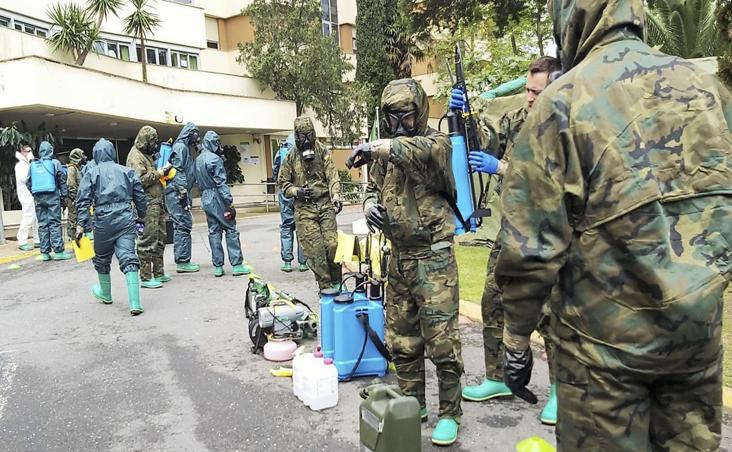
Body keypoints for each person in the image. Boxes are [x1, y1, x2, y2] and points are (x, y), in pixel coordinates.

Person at [496, 0, 732, 450]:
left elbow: (531, 248)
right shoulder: (709, 91)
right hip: (695, 345)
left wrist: (516, 337)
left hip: (601, 359)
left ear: (570, 17)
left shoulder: (562, 104)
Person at [347, 79, 464, 446]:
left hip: (434, 258)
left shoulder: (436, 145)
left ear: (420, 113)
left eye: (407, 116)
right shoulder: (385, 156)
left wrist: (376, 146)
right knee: (403, 342)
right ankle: (415, 403)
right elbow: (372, 187)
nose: (400, 124)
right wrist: (369, 207)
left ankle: (450, 412)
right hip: (398, 258)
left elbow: (413, 151)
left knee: (442, 343)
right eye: (392, 117)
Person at [450, 56, 562, 425]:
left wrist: (500, 168)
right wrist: (464, 115)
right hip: (510, 229)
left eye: (536, 91)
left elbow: (553, 182)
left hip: (549, 234)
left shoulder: (565, 127)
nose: (529, 98)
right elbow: (483, 142)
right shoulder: (517, 120)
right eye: (528, 90)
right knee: (492, 299)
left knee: (551, 313)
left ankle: (562, 392)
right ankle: (498, 376)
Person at [76, 139, 147, 316]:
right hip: (125, 217)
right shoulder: (127, 172)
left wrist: (80, 226)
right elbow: (140, 196)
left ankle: (106, 294)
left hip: (102, 220)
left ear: (95, 154)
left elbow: (82, 201)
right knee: (129, 256)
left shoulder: (91, 173)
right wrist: (141, 217)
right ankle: (135, 303)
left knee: (101, 257)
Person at [277, 116, 342, 290]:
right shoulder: (291, 157)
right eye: (302, 136)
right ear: (297, 136)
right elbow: (283, 183)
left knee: (332, 245)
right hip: (304, 208)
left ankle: (337, 282)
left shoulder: (322, 151)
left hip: (325, 204)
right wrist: (296, 191)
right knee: (316, 251)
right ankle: (326, 288)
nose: (306, 140)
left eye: (309, 135)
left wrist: (336, 196)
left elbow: (332, 175)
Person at [194, 130, 251, 277]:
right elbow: (221, 182)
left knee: (214, 231)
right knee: (230, 228)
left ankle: (218, 266)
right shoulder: (214, 159)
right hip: (217, 196)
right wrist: (228, 201)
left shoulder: (198, 160)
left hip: (205, 197)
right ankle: (237, 264)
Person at [126, 126, 171, 289]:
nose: (154, 145)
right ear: (145, 140)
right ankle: (145, 276)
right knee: (147, 240)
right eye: (152, 141)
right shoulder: (135, 157)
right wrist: (159, 173)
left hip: (156, 202)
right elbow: (139, 180)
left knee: (160, 238)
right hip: (145, 205)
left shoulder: (146, 155)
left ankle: (159, 272)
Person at [26, 141, 71, 261]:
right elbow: (62, 180)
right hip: (53, 196)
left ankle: (45, 253)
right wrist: (64, 196)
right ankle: (58, 252)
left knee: (42, 225)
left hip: (38, 198)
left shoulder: (33, 165)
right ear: (51, 150)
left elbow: (28, 182)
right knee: (54, 223)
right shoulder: (55, 163)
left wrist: (35, 194)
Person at [165, 122, 201, 273]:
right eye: (195, 134)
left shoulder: (184, 147)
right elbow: (177, 170)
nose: (197, 138)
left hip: (180, 191)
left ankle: (183, 258)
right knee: (182, 224)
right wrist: (182, 191)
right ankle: (182, 261)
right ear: (189, 134)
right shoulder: (180, 147)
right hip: (178, 192)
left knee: (182, 224)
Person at [273, 134, 307, 273]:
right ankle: (303, 263)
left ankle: (287, 262)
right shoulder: (302, 152)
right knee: (301, 227)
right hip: (300, 192)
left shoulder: (281, 152)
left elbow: (276, 171)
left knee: (286, 227)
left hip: (285, 193)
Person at [14, 145, 39, 251]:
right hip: (26, 195)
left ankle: (37, 239)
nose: (29, 153)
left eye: (30, 151)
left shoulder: (28, 164)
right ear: (22, 152)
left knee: (36, 218)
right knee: (28, 216)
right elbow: (25, 178)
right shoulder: (20, 165)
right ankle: (22, 240)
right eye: (27, 151)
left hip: (32, 194)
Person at [65, 148, 85, 241]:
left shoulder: (76, 168)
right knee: (73, 219)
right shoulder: (71, 168)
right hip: (73, 199)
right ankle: (74, 239)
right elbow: (71, 184)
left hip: (77, 197)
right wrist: (75, 197)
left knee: (77, 219)